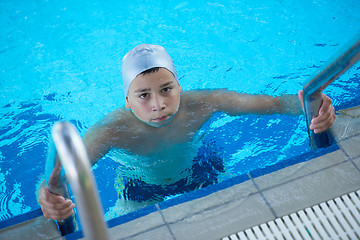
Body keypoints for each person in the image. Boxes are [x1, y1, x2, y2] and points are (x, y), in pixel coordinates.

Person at [38, 44, 336, 221]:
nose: (158, 105)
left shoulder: (203, 103)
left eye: (166, 89)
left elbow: (272, 104)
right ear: (127, 102)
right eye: (143, 96)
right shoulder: (112, 130)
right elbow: (66, 170)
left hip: (201, 169)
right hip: (141, 188)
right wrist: (47, 194)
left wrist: (314, 104)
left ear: (179, 86)